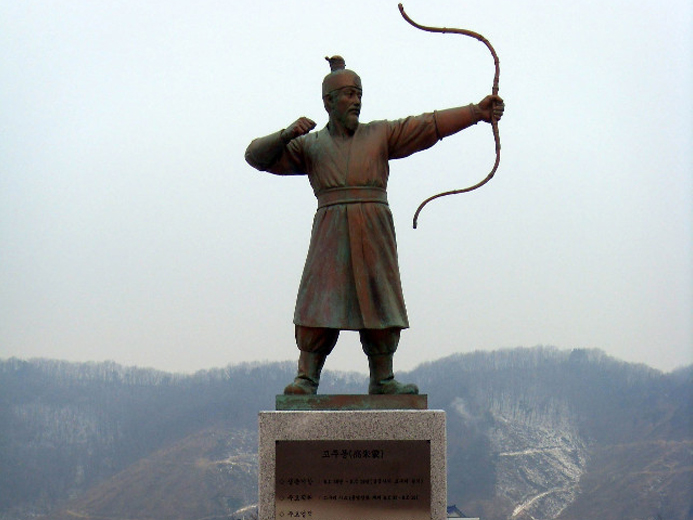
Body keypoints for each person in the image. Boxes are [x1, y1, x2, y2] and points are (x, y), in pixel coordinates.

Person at [245, 56, 504, 395]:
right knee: (318, 302)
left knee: (381, 299)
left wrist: (475, 112)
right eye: (349, 94)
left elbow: (427, 126)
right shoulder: (309, 145)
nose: (356, 101)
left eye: (359, 95)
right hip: (330, 229)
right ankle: (306, 377)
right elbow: (255, 156)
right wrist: (285, 135)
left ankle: (382, 378)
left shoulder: (380, 134)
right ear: (329, 102)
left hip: (373, 227)